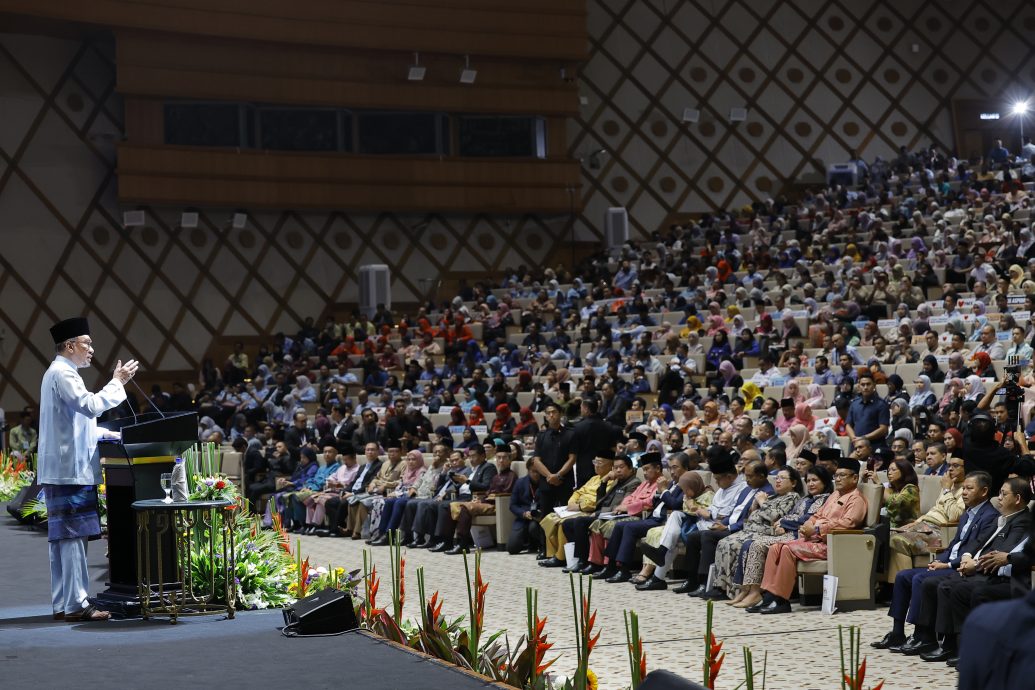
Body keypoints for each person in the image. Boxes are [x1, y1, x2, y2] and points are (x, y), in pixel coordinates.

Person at [38, 317, 138, 622]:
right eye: (87, 343)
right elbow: (90, 406)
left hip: (63, 468)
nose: (92, 349)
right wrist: (117, 382)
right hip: (69, 470)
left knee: (63, 541)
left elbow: (77, 423)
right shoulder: (63, 374)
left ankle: (63, 603)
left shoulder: (59, 373)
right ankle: (77, 604)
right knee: (71, 538)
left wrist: (108, 434)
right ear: (70, 346)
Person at [872, 472, 997, 654]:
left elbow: (975, 550)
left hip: (962, 569)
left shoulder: (990, 517)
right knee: (903, 576)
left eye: (970, 488)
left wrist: (948, 565)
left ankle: (923, 635)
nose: (964, 493)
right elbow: (954, 545)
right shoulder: (968, 513)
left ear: (984, 491)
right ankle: (897, 632)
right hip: (948, 562)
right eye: (964, 488)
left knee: (920, 579)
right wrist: (940, 560)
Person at [755, 456, 868, 614]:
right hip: (813, 539)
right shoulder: (834, 495)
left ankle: (781, 601)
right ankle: (768, 597)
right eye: (836, 476)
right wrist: (806, 525)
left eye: (843, 475)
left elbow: (848, 524)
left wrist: (815, 529)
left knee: (786, 549)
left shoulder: (856, 499)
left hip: (831, 544)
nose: (838, 479)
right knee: (775, 547)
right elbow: (816, 515)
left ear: (855, 478)